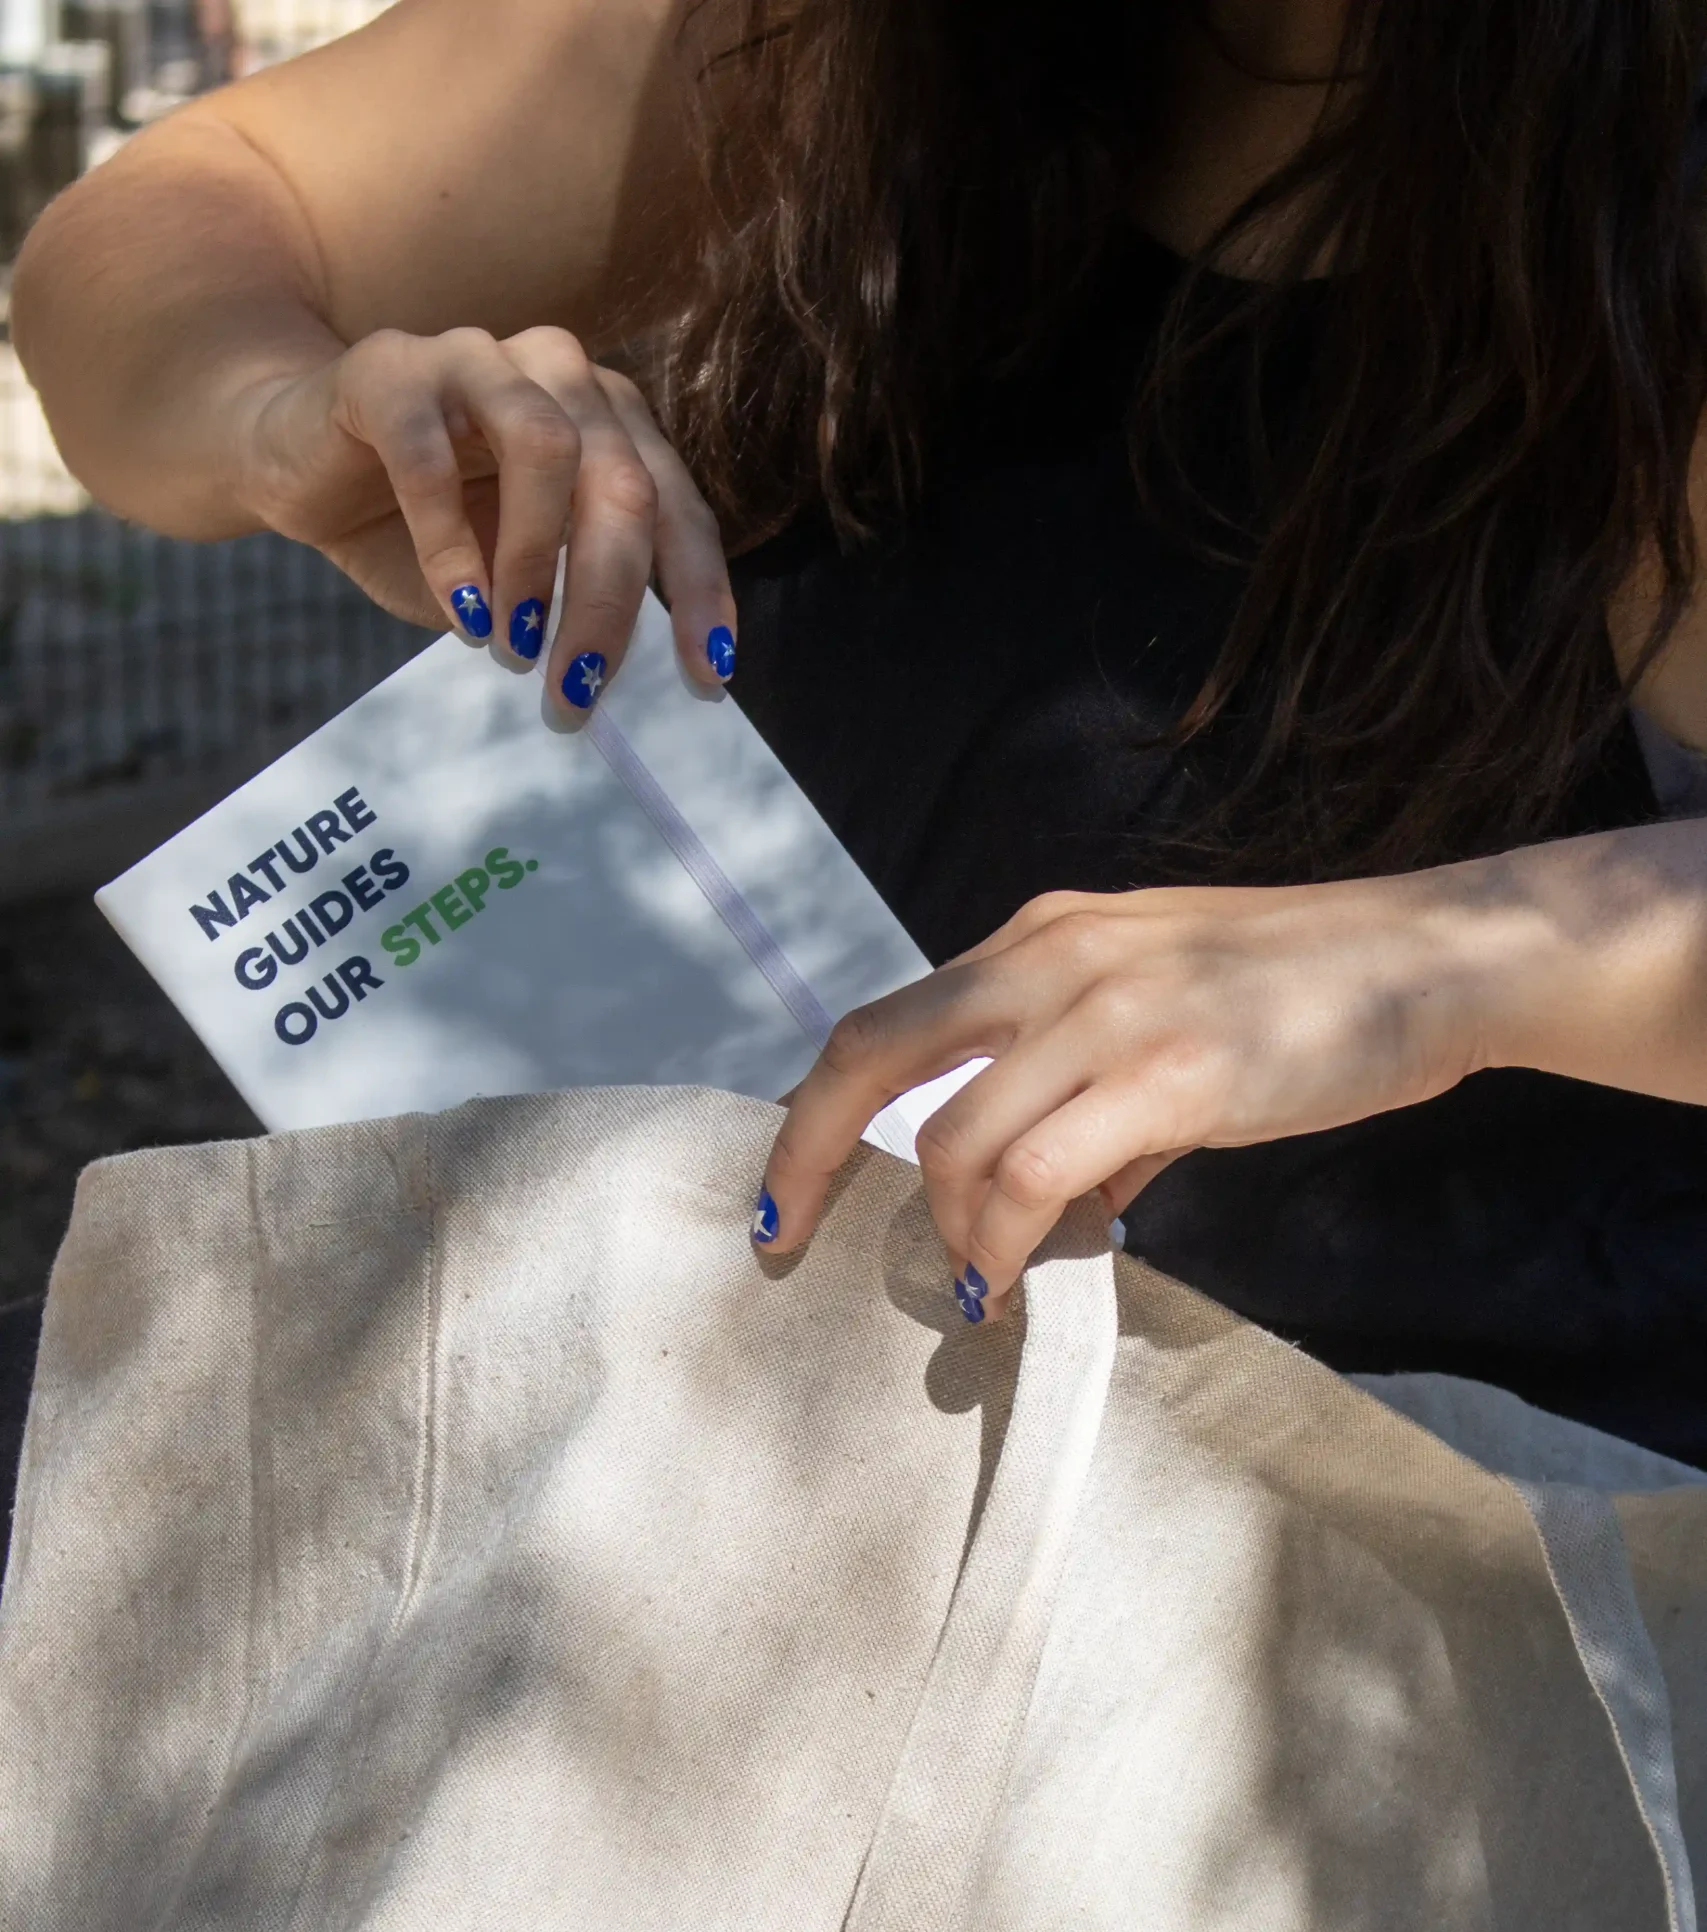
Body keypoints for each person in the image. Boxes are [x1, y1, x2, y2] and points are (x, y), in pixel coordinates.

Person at [15, 0, 1707, 1462]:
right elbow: (167, 220)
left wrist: (1447, 961)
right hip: (726, 1470)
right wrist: (285, 421)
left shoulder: (1638, 185)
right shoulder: (830, 41)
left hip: (1416, 1572)